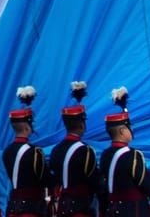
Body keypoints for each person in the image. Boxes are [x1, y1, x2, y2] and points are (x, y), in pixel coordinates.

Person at [93, 92, 150, 217]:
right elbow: (148, 185)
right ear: (122, 131)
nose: (131, 130)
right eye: (129, 127)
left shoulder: (106, 154)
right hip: (132, 210)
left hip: (112, 209)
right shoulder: (132, 155)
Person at [50, 86, 100, 217]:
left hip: (63, 206)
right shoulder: (85, 151)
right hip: (81, 207)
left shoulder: (56, 150)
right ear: (82, 124)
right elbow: (93, 180)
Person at [2, 92, 48, 217]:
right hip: (31, 208)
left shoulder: (7, 152)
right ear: (28, 127)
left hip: (13, 206)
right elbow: (44, 178)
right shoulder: (34, 152)